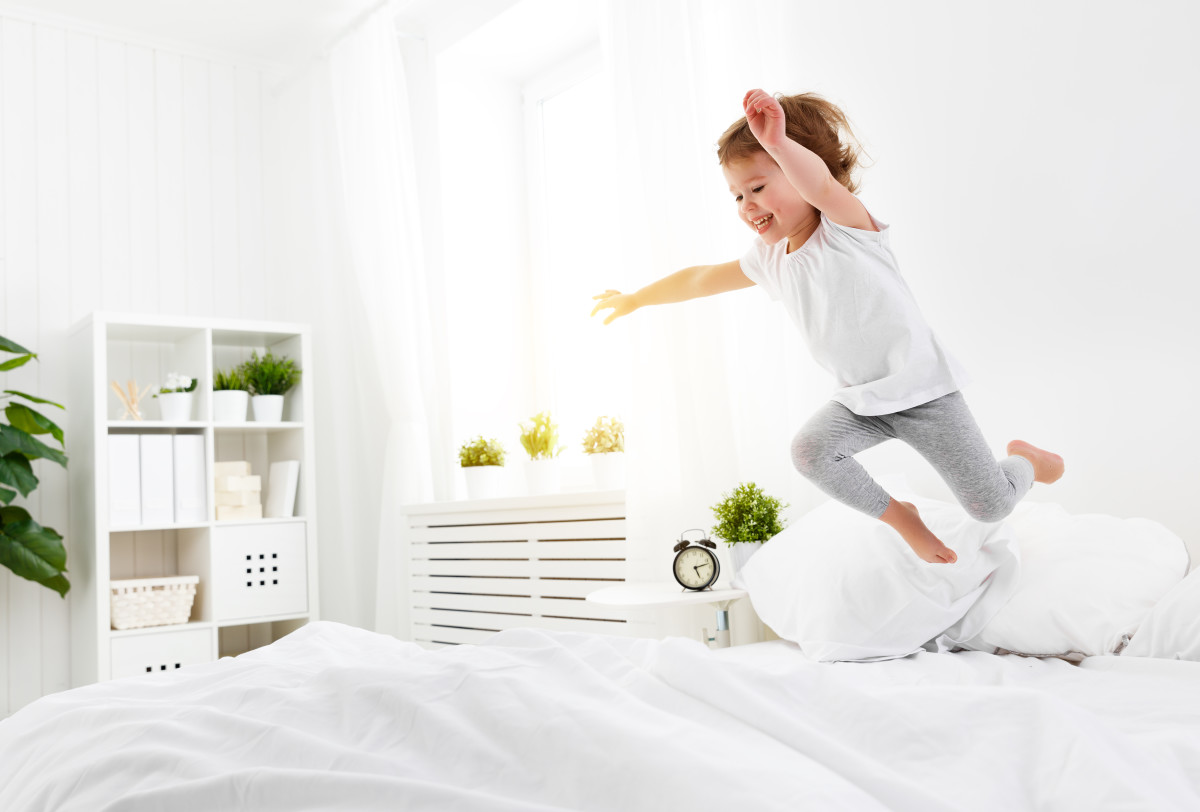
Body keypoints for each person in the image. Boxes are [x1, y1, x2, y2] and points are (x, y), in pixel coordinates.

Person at [590, 88, 1064, 564]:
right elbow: (700, 279)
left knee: (990, 505)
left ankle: (1028, 461)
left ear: (800, 165)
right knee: (809, 453)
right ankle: (902, 518)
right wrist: (636, 299)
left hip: (924, 393)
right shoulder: (771, 259)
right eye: (736, 195)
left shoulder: (847, 227)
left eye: (757, 187)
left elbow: (818, 186)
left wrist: (776, 141)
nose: (746, 205)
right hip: (861, 399)